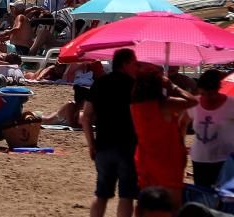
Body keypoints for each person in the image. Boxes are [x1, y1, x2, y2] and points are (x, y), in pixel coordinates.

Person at [81, 48, 139, 217]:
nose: (137, 67)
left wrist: (91, 144)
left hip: (103, 145)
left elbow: (86, 117)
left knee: (101, 194)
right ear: (126, 63)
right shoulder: (133, 86)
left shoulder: (100, 82)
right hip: (128, 145)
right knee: (126, 195)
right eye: (135, 64)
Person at [131, 65, 197, 206]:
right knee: (172, 207)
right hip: (167, 160)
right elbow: (193, 101)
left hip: (145, 158)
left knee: (148, 207)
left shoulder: (135, 105)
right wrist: (172, 85)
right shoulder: (165, 105)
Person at [190, 69, 234, 187]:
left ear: (218, 89)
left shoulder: (231, 104)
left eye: (211, 94)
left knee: (225, 197)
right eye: (203, 93)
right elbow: (182, 124)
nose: (207, 97)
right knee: (203, 195)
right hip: (200, 159)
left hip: (226, 159)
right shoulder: (193, 103)